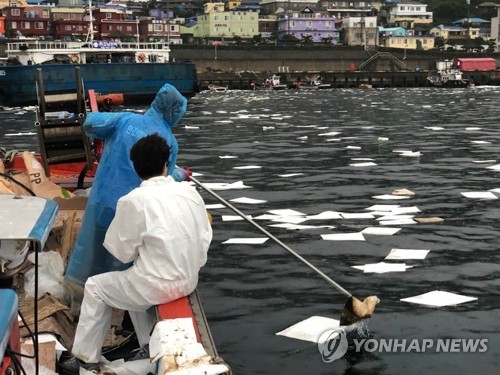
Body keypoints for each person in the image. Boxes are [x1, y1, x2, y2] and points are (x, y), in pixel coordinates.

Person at [59, 134, 212, 373]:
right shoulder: (190, 193)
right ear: (166, 163)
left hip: (159, 285)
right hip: (190, 279)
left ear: (135, 167)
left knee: (97, 287)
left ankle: (85, 358)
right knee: (132, 278)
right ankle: (146, 344)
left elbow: (121, 252)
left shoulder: (133, 201)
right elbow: (205, 235)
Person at [64, 84, 189, 299]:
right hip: (131, 209)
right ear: (174, 110)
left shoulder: (125, 120)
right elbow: (164, 181)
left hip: (101, 199)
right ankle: (113, 301)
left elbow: (90, 124)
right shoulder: (169, 141)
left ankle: (76, 292)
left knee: (89, 249)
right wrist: (182, 175)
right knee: (121, 257)